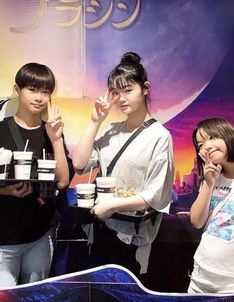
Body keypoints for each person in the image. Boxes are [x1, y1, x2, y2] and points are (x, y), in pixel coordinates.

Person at [73, 52, 174, 276]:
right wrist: (94, 122)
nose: (121, 98)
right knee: (98, 299)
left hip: (131, 236)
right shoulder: (112, 130)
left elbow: (155, 197)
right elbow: (79, 164)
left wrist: (111, 206)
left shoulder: (160, 137)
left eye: (128, 90)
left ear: (145, 88)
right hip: (100, 229)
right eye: (116, 93)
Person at [0, 62, 70, 287]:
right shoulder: (2, 129)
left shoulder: (50, 131)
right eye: (32, 89)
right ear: (17, 90)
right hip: (4, 237)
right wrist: (4, 190)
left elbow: (62, 181)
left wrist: (56, 139)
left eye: (46, 91)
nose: (39, 97)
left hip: (39, 235)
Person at [188, 118, 234, 294]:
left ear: (228, 135)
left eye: (211, 138)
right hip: (200, 275)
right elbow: (197, 221)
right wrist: (208, 184)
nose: (206, 147)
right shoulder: (212, 176)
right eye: (200, 144)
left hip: (231, 283)